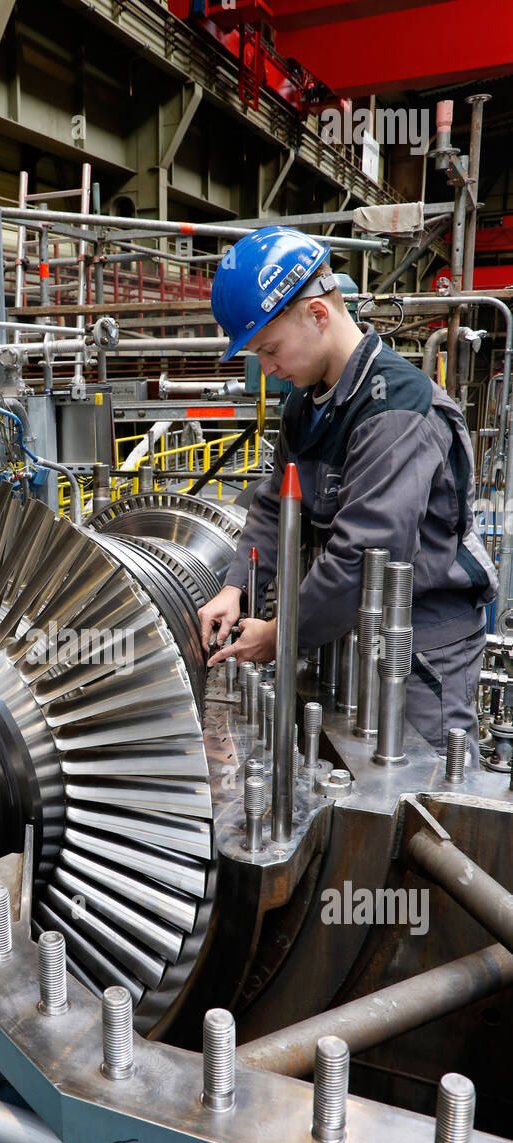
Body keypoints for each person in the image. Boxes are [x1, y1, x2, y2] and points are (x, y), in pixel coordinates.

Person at [198, 225, 497, 760]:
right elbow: (275, 503)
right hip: (352, 627)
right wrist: (237, 587)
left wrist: (279, 634)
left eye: (269, 348)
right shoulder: (307, 403)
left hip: (423, 640)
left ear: (317, 314)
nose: (266, 368)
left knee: (415, 786)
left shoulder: (394, 407)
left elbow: (366, 552)